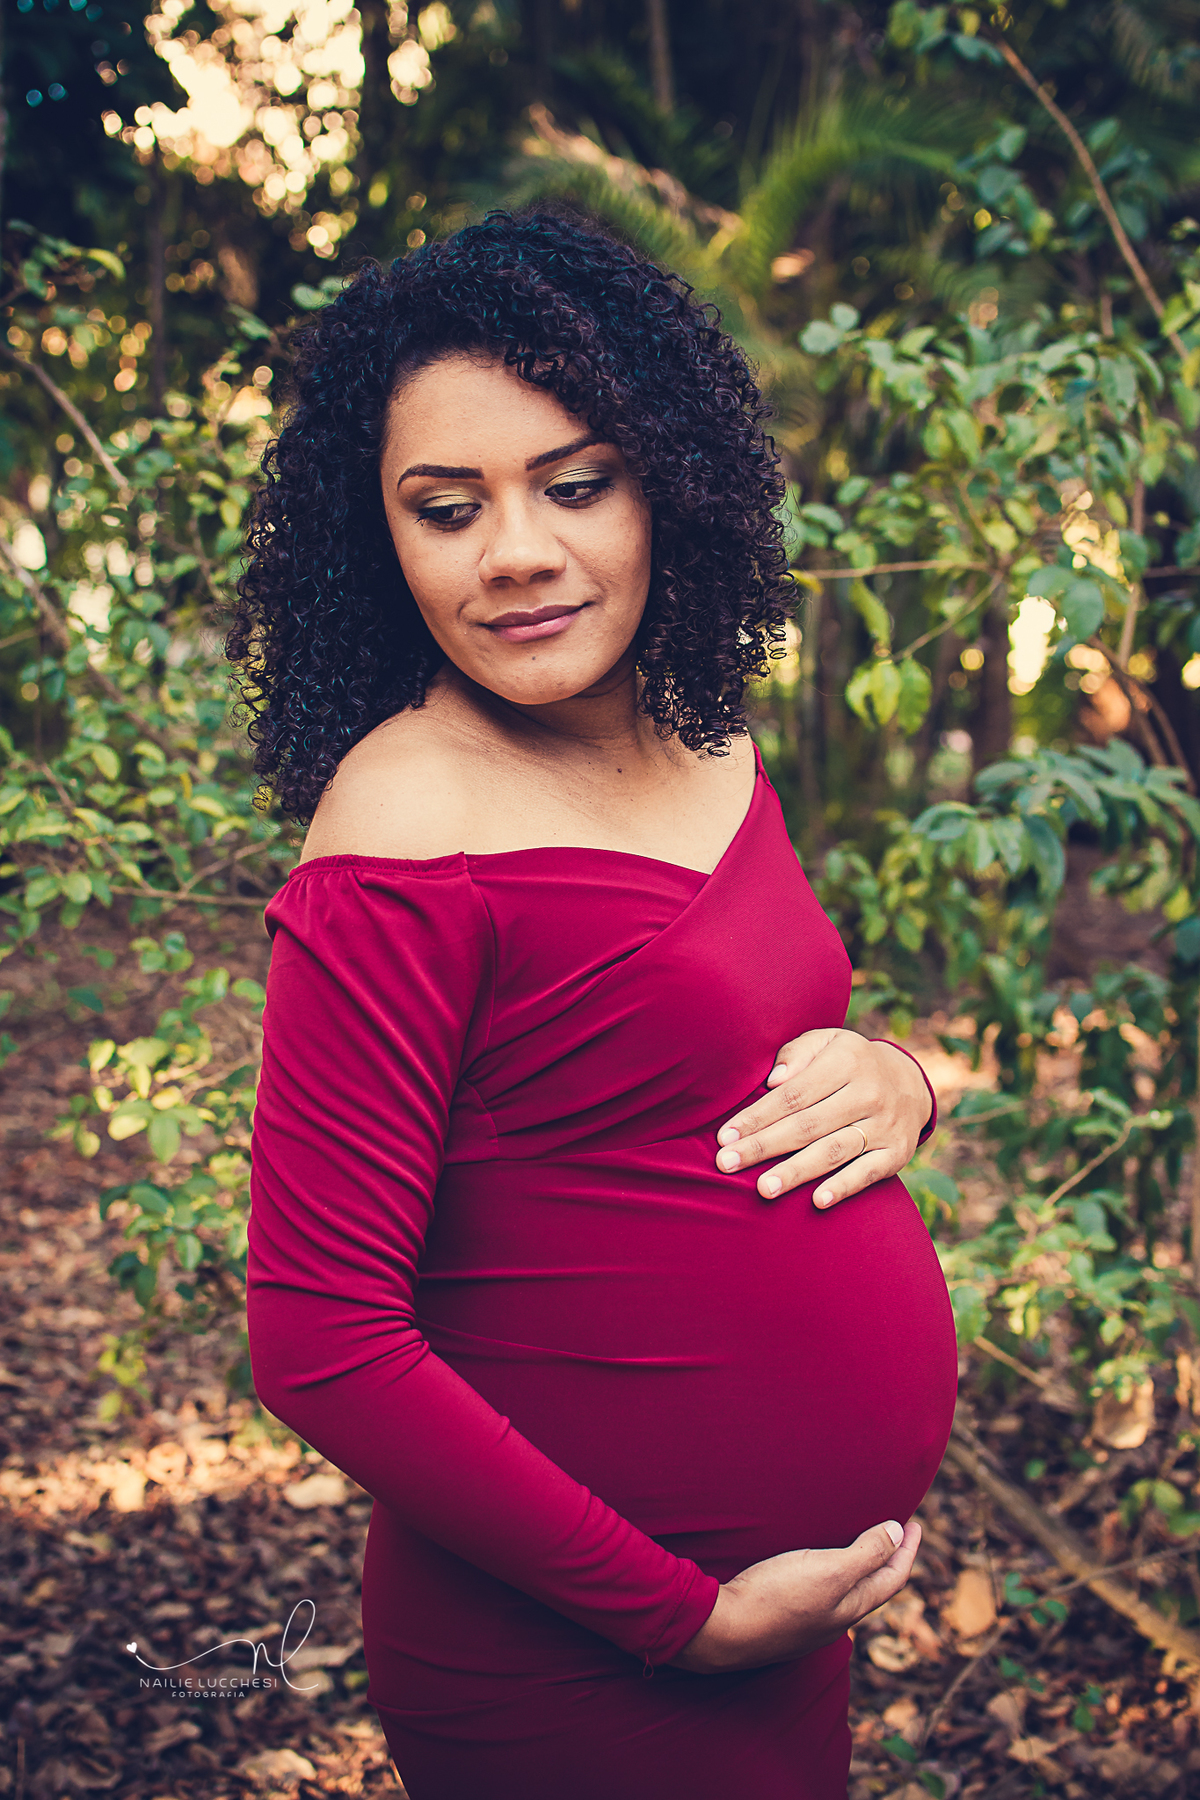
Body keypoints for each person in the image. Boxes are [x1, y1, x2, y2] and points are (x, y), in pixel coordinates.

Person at [234, 208, 959, 1800]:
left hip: (788, 1625)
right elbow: (317, 1335)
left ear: (670, 489)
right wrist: (682, 1621)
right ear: (383, 538)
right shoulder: (407, 827)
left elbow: (740, 1038)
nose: (515, 551)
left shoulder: (709, 743)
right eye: (446, 506)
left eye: (576, 484)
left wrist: (904, 1081)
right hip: (578, 1658)